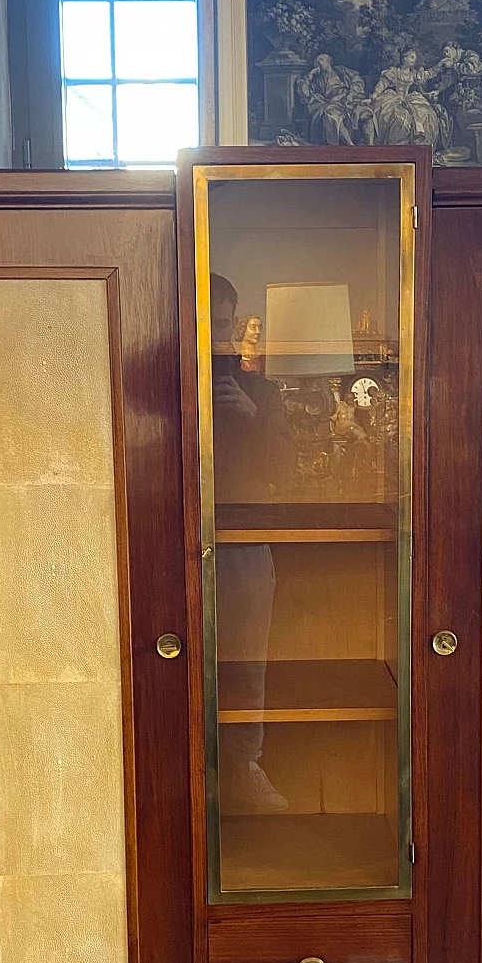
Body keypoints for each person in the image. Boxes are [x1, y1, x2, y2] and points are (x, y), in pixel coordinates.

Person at [209, 273, 294, 815]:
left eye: (223, 324)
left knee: (246, 664)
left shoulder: (260, 392)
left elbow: (286, 473)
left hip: (243, 544)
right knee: (167, 662)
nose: (218, 336)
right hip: (163, 541)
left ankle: (243, 767)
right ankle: (181, 773)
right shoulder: (156, 380)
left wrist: (251, 419)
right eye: (207, 324)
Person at [369, 48, 452, 150]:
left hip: (410, 99)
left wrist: (439, 65)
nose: (414, 60)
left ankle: (420, 147)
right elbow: (382, 84)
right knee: (399, 118)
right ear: (404, 58)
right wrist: (374, 95)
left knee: (426, 115)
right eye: (412, 57)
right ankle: (397, 149)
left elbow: (428, 74)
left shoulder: (413, 73)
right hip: (394, 99)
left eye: (415, 57)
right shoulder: (393, 71)